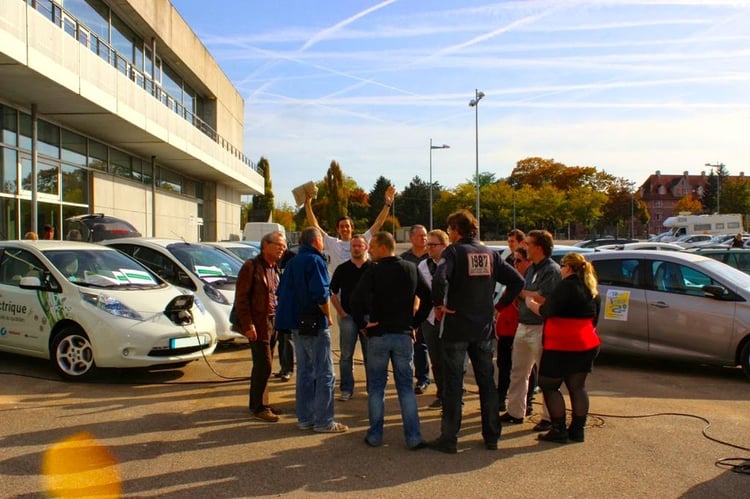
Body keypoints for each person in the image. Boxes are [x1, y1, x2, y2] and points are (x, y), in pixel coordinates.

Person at [429, 210, 524, 453]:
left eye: (450, 230)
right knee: (486, 383)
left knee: (453, 384)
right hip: (483, 329)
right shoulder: (490, 254)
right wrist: (498, 307)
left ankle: (449, 439)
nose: (449, 234)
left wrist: (439, 305)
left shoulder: (452, 252)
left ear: (455, 231)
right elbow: (517, 281)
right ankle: (491, 436)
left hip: (456, 328)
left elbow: (439, 279)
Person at [350, 231, 432, 450]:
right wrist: (414, 323)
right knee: (405, 387)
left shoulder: (373, 271)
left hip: (378, 335)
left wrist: (362, 323)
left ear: (384, 248)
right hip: (403, 335)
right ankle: (413, 437)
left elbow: (355, 299)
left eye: (373, 247)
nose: (370, 250)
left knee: (377, 387)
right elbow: (428, 298)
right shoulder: (411, 268)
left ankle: (375, 435)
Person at [276, 227, 348, 433]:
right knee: (325, 373)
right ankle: (324, 421)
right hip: (314, 325)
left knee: (305, 372)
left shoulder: (292, 262)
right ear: (316, 241)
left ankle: (305, 418)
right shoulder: (315, 261)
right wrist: (328, 316)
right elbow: (320, 293)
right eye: (322, 240)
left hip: (296, 324)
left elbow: (282, 291)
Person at [525, 252, 601, 443]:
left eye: (562, 266)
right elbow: (595, 319)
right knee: (577, 386)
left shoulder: (564, 287)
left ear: (567, 268)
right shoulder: (590, 288)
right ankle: (578, 430)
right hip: (586, 343)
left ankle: (558, 429)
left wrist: (531, 304)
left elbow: (547, 311)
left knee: (548, 385)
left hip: (561, 344)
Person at [501, 229, 561, 430]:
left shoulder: (551, 270)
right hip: (524, 325)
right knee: (518, 371)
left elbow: (544, 298)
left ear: (539, 247)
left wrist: (520, 292)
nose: (525, 247)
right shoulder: (533, 268)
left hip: (541, 327)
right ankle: (516, 411)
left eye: (528, 243)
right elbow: (532, 294)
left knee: (545, 374)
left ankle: (548, 417)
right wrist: (527, 294)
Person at [234, 230, 287, 423]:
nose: (282, 249)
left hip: (273, 322)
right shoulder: (251, 267)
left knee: (265, 365)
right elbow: (241, 299)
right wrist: (248, 325)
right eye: (279, 245)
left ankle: (262, 403)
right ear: (265, 245)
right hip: (258, 323)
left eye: (284, 246)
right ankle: (258, 407)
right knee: (263, 364)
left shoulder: (274, 268)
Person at [304, 185, 395, 274]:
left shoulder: (363, 240)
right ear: (337, 229)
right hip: (340, 288)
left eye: (347, 226)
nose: (344, 229)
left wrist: (388, 204)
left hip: (362, 286)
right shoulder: (332, 243)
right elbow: (315, 225)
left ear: (352, 228)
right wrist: (307, 205)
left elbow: (378, 223)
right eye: (341, 226)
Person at [330, 234, 372, 401]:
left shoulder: (373, 268)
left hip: (368, 318)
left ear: (365, 247)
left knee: (371, 355)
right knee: (346, 355)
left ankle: (372, 388)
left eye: (359, 245)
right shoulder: (342, 269)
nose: (356, 248)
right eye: (353, 246)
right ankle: (346, 389)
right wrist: (340, 312)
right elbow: (331, 291)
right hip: (348, 318)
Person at [495, 246, 536, 413]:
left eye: (519, 260)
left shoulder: (531, 280)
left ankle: (528, 401)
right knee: (504, 366)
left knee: (526, 369)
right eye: (513, 260)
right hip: (505, 330)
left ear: (529, 262)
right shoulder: (514, 278)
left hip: (521, 329)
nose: (515, 264)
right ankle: (502, 398)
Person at [417, 229, 449, 408]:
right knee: (435, 359)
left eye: (433, 244)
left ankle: (453, 393)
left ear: (444, 246)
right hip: (429, 319)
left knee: (450, 358)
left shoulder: (453, 264)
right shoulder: (422, 266)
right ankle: (442, 393)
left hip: (450, 317)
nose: (429, 247)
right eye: (428, 244)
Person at [400, 224, 431, 395]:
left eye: (425, 235)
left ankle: (427, 377)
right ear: (411, 238)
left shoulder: (432, 256)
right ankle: (421, 378)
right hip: (411, 309)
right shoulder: (404, 259)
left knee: (428, 345)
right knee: (416, 344)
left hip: (431, 307)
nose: (424, 239)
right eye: (420, 236)